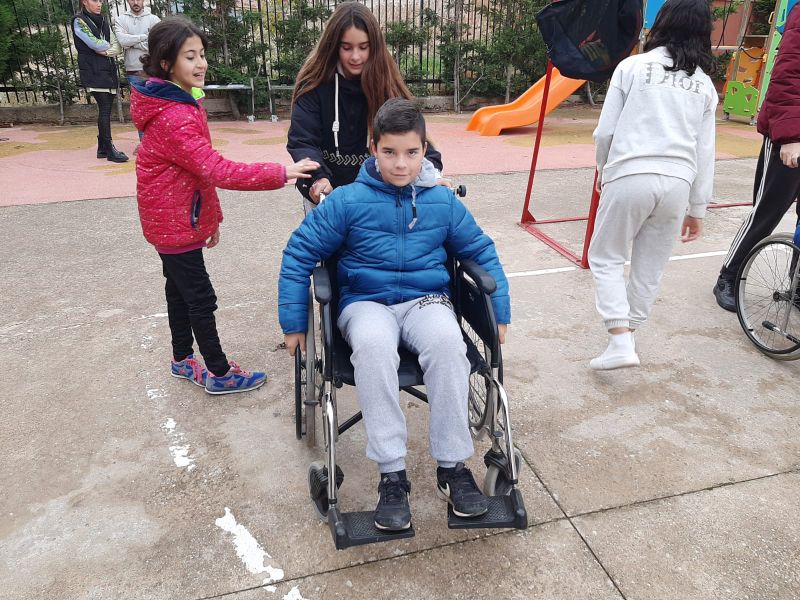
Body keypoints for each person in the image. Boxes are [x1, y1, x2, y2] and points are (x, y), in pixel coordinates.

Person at [279, 98, 510, 531]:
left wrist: (498, 312)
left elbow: (480, 251)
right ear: (373, 149)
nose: (400, 164)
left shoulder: (442, 202)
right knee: (372, 346)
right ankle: (392, 474)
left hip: (426, 300)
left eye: (411, 152)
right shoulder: (347, 201)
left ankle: (453, 467)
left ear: (425, 151)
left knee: (449, 345)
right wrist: (294, 322)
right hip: (366, 302)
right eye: (389, 152)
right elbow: (299, 253)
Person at [130, 17, 319, 395]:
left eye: (201, 54)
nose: (200, 63)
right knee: (200, 298)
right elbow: (216, 169)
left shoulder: (177, 99)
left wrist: (209, 220)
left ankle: (182, 358)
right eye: (190, 57)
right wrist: (281, 172)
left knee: (178, 291)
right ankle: (218, 372)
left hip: (172, 218)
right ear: (167, 63)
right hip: (172, 222)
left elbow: (196, 173)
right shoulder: (174, 115)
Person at [588, 0, 717, 370]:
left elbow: (605, 132)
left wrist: (604, 171)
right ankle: (628, 335)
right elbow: (705, 150)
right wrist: (698, 208)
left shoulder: (631, 67)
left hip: (631, 172)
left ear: (662, 22)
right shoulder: (704, 85)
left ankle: (619, 339)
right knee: (651, 265)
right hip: (679, 181)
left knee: (606, 256)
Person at [286, 1, 444, 208]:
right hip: (328, 195)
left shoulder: (386, 85)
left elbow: (412, 135)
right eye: (346, 47)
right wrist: (318, 178)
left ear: (374, 46)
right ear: (333, 46)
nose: (355, 56)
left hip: (376, 197)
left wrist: (432, 175)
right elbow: (303, 141)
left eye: (363, 47)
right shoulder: (314, 86)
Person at [713, 2, 800, 311]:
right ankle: (729, 275)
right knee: (767, 211)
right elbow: (788, 76)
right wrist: (791, 136)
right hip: (792, 134)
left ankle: (798, 286)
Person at [72, 0, 128, 163]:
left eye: (101, 1)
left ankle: (102, 148)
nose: (99, 4)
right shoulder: (79, 21)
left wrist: (106, 50)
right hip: (93, 71)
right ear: (84, 2)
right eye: (95, 0)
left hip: (107, 71)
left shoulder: (103, 20)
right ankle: (109, 149)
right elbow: (94, 43)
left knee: (106, 109)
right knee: (104, 109)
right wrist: (104, 46)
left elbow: (117, 47)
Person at [113, 0, 160, 151]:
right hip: (133, 71)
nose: (135, 2)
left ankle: (157, 143)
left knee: (156, 108)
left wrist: (132, 41)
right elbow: (122, 41)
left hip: (152, 70)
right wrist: (144, 36)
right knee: (140, 110)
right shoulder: (121, 20)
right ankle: (144, 144)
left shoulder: (154, 19)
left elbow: (156, 44)